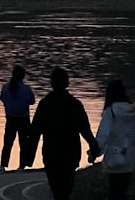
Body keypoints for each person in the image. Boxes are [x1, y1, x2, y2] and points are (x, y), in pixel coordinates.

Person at [30, 68, 100, 200]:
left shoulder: (45, 104)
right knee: (66, 189)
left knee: (56, 189)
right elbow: (85, 129)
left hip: (51, 152)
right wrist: (94, 147)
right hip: (71, 152)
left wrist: (29, 155)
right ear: (67, 83)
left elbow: (35, 131)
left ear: (51, 83)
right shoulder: (75, 104)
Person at [94, 79, 135, 200]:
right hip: (128, 158)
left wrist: (96, 152)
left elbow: (103, 134)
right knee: (123, 191)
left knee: (114, 192)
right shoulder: (132, 111)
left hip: (114, 157)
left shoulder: (110, 112)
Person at [0, 65, 35, 172]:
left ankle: (3, 165)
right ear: (23, 76)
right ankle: (21, 166)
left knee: (7, 143)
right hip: (23, 119)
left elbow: (2, 98)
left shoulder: (5, 87)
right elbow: (32, 101)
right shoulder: (26, 89)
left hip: (10, 118)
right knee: (23, 143)